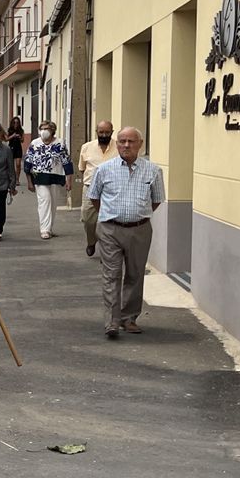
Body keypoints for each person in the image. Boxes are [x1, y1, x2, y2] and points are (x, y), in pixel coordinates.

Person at [87, 127, 164, 338]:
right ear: (116, 143)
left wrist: (138, 215)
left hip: (139, 230)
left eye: (131, 141)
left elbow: (157, 200)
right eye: (122, 141)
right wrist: (110, 213)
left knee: (135, 274)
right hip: (110, 229)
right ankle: (111, 322)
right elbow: (94, 196)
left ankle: (129, 318)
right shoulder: (104, 169)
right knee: (111, 275)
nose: (126, 145)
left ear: (140, 144)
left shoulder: (153, 171)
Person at [23, 121, 73, 239]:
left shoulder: (60, 143)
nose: (44, 131)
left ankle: (49, 228)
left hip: (55, 176)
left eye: (47, 128)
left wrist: (69, 180)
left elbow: (67, 162)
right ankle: (44, 229)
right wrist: (29, 181)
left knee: (53, 203)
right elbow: (27, 163)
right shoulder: (34, 143)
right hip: (39, 176)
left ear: (52, 130)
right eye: (42, 128)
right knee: (45, 200)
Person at [77, 120, 119, 257]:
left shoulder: (119, 147)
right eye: (101, 132)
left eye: (107, 132)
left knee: (109, 220)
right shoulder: (86, 147)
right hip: (90, 188)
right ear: (97, 132)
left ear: (112, 132)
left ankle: (107, 247)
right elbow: (82, 169)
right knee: (88, 219)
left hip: (112, 189)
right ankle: (91, 241)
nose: (104, 135)